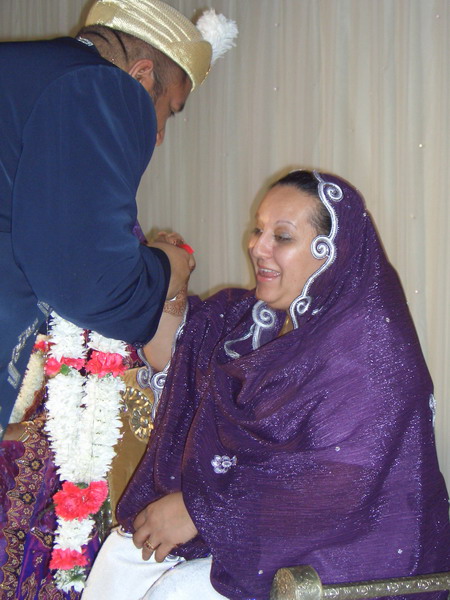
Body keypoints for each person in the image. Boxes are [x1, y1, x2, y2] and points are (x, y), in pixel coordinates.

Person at [84, 170, 450, 600]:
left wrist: (201, 512)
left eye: (282, 236)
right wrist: (172, 279)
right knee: (124, 556)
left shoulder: (369, 350)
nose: (257, 247)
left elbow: (338, 487)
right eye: (259, 230)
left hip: (344, 556)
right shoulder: (256, 321)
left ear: (334, 250)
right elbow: (177, 352)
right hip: (249, 527)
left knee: (176, 591)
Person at [0, 0, 238, 436]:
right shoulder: (101, 86)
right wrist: (168, 266)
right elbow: (89, 281)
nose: (159, 135)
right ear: (141, 76)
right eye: (168, 110)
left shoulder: (28, 72)